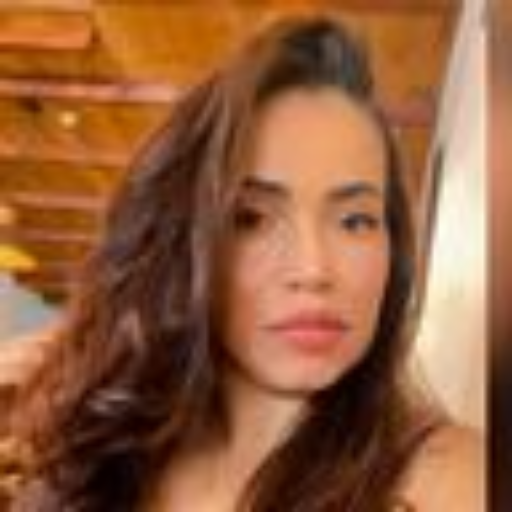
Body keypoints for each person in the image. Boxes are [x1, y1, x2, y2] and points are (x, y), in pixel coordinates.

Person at [7, 16, 483, 512]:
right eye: (252, 218)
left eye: (355, 221)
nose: (314, 270)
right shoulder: (106, 455)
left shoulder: (453, 482)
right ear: (180, 241)